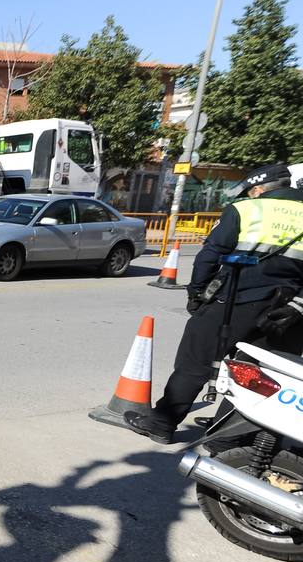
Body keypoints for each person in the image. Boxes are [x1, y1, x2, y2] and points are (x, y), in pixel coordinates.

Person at [127, 162, 303, 444]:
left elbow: (209, 255)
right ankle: (225, 438)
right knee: (260, 377)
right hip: (290, 312)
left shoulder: (246, 209)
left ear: (257, 189)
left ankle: (161, 423)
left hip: (235, 301)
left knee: (195, 360)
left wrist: (197, 295)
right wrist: (298, 307)